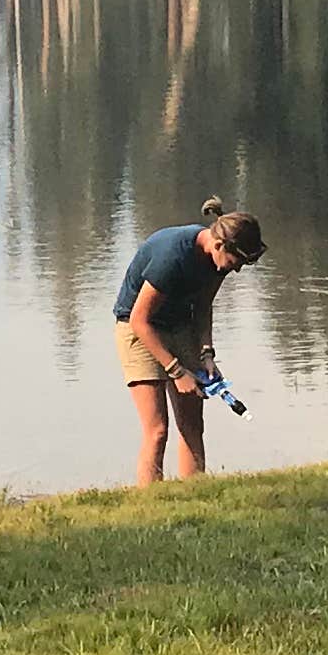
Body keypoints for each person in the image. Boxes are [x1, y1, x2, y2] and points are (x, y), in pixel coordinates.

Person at [113, 197, 264, 486]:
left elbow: (203, 306)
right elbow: (139, 320)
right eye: (237, 261)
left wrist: (206, 353)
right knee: (157, 430)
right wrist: (176, 370)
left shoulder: (218, 263)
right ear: (220, 245)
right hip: (139, 329)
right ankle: (150, 505)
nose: (237, 269)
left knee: (193, 424)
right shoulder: (173, 257)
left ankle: (193, 496)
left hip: (180, 326)